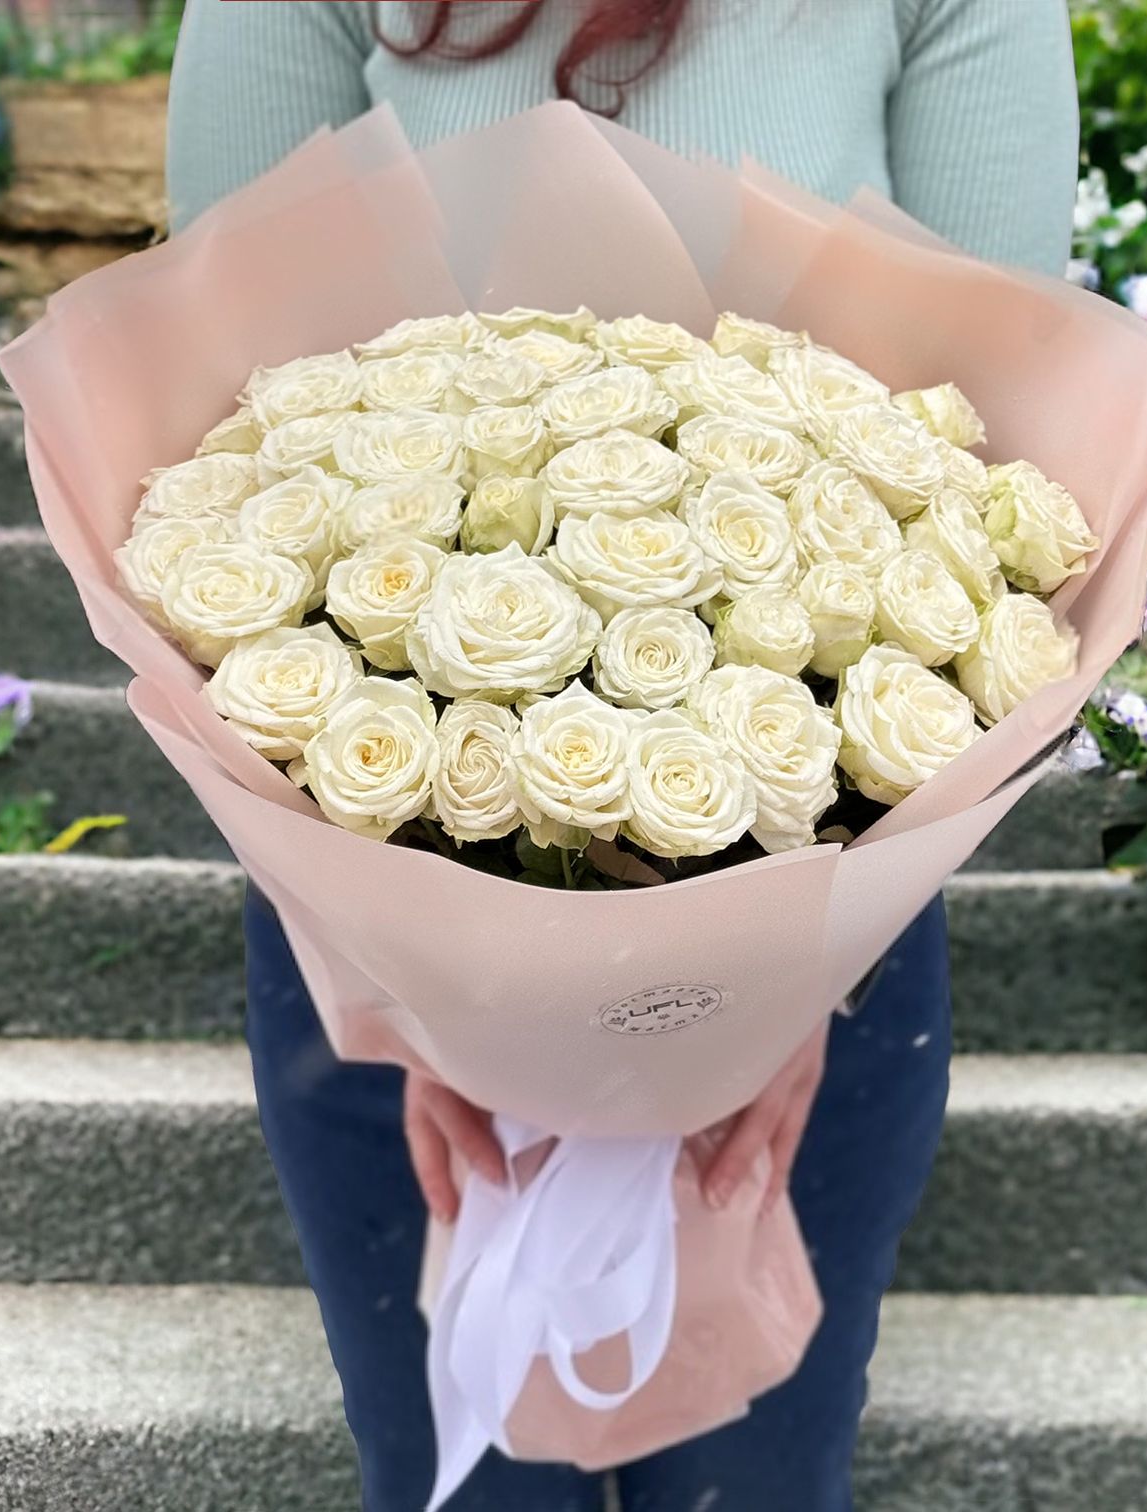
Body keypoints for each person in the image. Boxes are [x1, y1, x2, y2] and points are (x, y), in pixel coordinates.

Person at [166, 4, 1077, 1508]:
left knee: (758, 1483)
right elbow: (223, 424)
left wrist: (784, 997)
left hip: (827, 932)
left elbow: (1005, 440)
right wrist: (410, 993)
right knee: (455, 1480)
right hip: (372, 933)